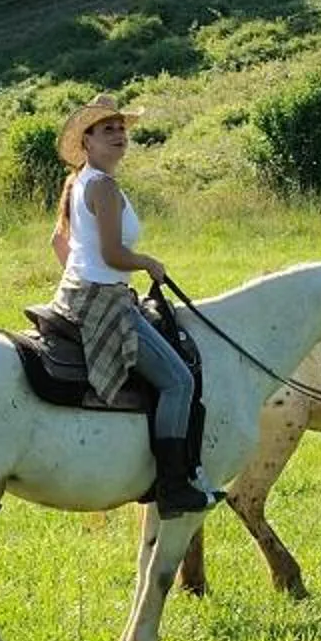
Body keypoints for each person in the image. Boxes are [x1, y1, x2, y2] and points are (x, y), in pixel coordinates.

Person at [49, 94, 218, 514]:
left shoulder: (81, 180)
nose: (119, 134)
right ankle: (173, 485)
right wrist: (146, 263)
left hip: (82, 292)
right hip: (104, 299)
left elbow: (61, 242)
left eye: (121, 128)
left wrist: (82, 276)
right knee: (179, 381)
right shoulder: (102, 186)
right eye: (108, 129)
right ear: (86, 140)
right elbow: (111, 254)